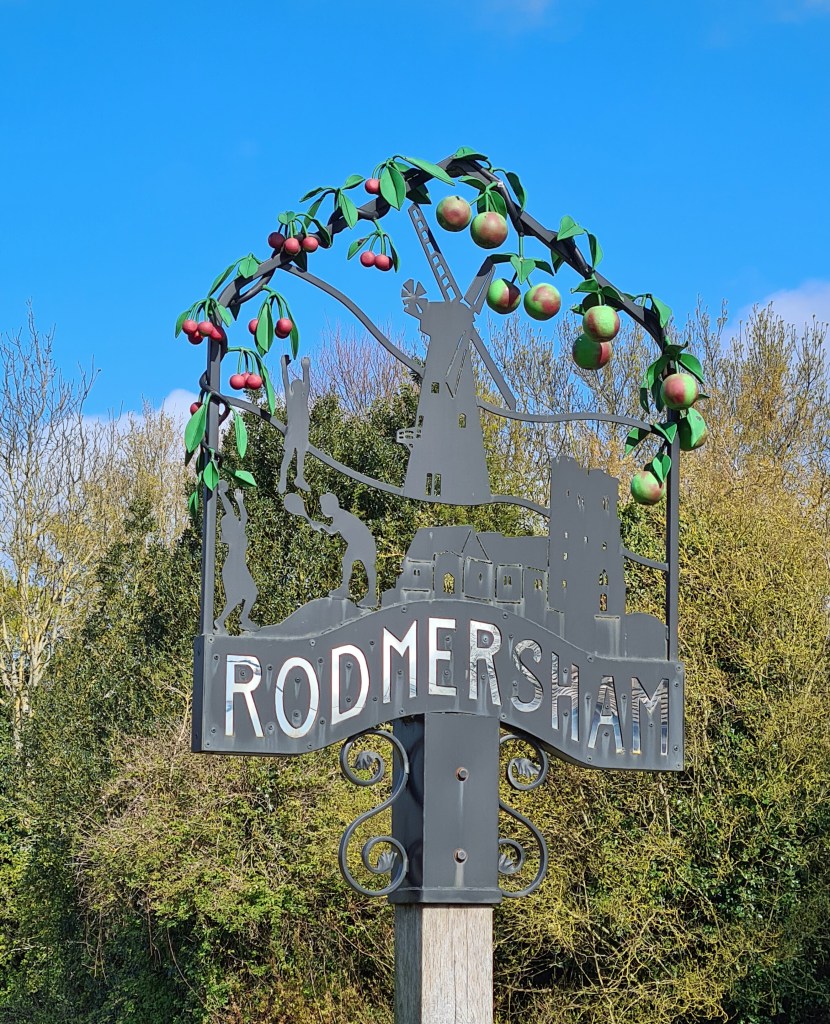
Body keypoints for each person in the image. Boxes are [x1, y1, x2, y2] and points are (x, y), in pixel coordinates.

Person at [310, 492, 377, 608]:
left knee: (368, 566)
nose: (322, 509)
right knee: (347, 561)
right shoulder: (339, 515)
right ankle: (345, 588)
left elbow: (332, 531)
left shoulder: (340, 516)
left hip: (363, 542)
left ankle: (372, 595)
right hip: (357, 542)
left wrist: (320, 525)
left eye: (323, 506)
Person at [214, 481, 258, 632]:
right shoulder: (236, 535)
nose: (236, 519)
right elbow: (243, 517)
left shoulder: (235, 533)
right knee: (239, 597)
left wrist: (222, 494)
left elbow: (230, 512)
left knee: (247, 595)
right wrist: (240, 502)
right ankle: (226, 620)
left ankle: (237, 619)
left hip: (237, 567)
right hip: (234, 568)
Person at [278, 354, 311, 493]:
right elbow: (285, 380)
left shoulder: (303, 399)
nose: (301, 387)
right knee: (289, 455)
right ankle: (282, 479)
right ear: (293, 389)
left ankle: (299, 476)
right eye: (297, 386)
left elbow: (307, 384)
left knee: (301, 454)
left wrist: (305, 369)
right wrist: (284, 366)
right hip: (293, 431)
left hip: (302, 431)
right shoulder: (291, 398)